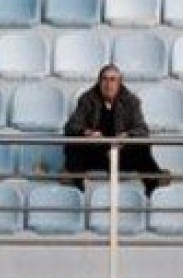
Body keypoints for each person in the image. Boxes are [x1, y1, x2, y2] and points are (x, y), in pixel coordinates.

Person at [62, 64, 170, 195]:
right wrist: (87, 132)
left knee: (142, 145)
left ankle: (154, 186)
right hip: (95, 151)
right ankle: (77, 187)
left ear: (119, 83)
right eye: (104, 79)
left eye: (113, 79)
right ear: (99, 81)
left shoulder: (131, 101)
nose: (108, 84)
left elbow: (142, 129)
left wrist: (127, 136)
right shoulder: (87, 99)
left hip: (120, 153)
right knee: (73, 144)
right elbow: (71, 126)